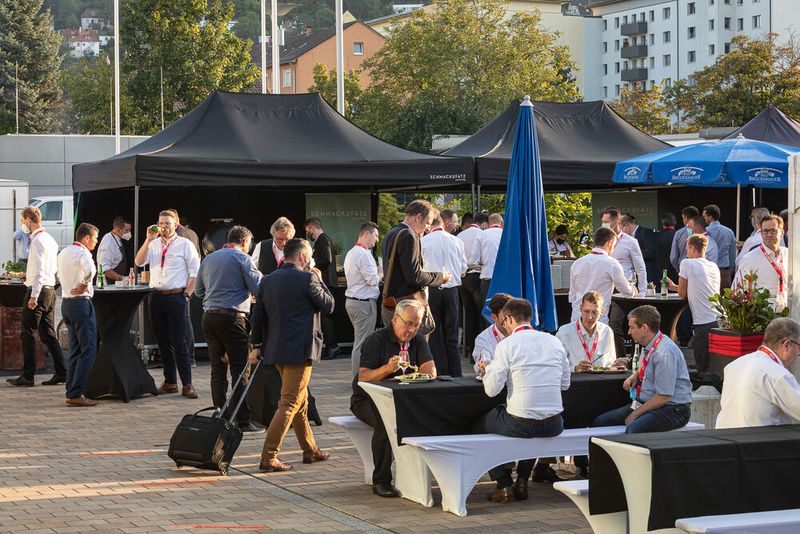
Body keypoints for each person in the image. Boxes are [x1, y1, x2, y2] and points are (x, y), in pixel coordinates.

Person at [250, 238, 334, 472]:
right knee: (289, 403)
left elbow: (257, 316)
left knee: (301, 402)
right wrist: (319, 279)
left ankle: (310, 450)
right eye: (309, 256)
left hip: (276, 349)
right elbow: (329, 306)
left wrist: (256, 345)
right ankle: (269, 456)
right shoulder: (308, 278)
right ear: (303, 257)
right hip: (300, 350)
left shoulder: (267, 280)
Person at [474, 298, 570, 503]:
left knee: (478, 426)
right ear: (531, 318)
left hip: (522, 423)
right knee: (531, 423)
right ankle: (523, 479)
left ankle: (503, 482)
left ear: (507, 319)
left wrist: (487, 370)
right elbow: (565, 384)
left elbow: (491, 390)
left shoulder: (507, 345)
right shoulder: (554, 341)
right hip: (555, 423)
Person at [351, 300, 437, 498]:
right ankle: (380, 480)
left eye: (416, 325)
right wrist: (387, 369)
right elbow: (363, 377)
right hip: (367, 399)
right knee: (386, 423)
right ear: (395, 319)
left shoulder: (418, 340)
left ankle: (418, 475)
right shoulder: (376, 340)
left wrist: (420, 375)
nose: (412, 329)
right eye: (408, 323)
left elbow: (430, 369)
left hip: (402, 399)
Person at [194, 225, 263, 432]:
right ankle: (242, 420)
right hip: (233, 318)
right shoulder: (243, 258)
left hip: (209, 317)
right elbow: (259, 287)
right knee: (240, 369)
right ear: (244, 242)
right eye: (249, 245)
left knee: (217, 367)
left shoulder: (209, 258)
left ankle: (220, 413)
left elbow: (198, 291)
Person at [592, 305, 692, 433]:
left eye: (632, 327)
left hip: (673, 408)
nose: (629, 332)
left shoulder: (665, 353)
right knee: (600, 422)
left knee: (633, 429)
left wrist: (635, 414)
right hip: (650, 403)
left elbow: (664, 397)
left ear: (644, 328)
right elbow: (651, 366)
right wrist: (635, 375)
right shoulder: (651, 344)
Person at [134, 210, 201, 398]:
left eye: (167, 223)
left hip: (176, 296)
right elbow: (139, 261)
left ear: (176, 224)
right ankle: (170, 381)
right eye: (161, 223)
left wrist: (187, 295)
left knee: (180, 342)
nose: (163, 227)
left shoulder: (184, 244)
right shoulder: (153, 244)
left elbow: (194, 272)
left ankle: (187, 384)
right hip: (156, 296)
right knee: (163, 341)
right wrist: (148, 239)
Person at [6, 206, 67, 387]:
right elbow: (50, 269)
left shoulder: (38, 240)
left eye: (22, 220)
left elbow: (40, 271)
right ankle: (61, 372)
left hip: (38, 291)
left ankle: (28, 375)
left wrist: (33, 295)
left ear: (28, 219)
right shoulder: (49, 239)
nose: (22, 224)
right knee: (48, 333)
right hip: (49, 290)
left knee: (27, 333)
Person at [380, 199, 450, 334]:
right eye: (428, 223)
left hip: (392, 302)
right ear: (418, 217)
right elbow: (414, 276)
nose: (428, 228)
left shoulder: (391, 233)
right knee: (411, 351)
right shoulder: (409, 236)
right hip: (406, 307)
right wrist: (440, 277)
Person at [716, 318, 800, 428]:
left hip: (723, 439)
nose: (798, 354)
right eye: (799, 348)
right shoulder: (777, 374)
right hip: (758, 442)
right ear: (787, 345)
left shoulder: (734, 365)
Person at [56, 223, 100, 406]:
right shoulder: (83, 253)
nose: (96, 242)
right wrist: (83, 283)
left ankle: (71, 390)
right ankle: (76, 392)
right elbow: (91, 270)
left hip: (66, 303)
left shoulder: (64, 252)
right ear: (86, 238)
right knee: (89, 348)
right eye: (95, 238)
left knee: (75, 349)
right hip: (81, 303)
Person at [421, 211, 467, 376]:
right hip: (451, 291)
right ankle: (456, 372)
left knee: (434, 333)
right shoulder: (457, 241)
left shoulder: (422, 242)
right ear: (443, 223)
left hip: (432, 290)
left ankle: (439, 371)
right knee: (452, 333)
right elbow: (463, 270)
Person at [666, 235, 720, 375]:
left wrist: (675, 288)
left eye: (687, 249)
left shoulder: (687, 263)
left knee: (703, 369)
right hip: (719, 319)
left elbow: (683, 294)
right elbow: (698, 287)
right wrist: (673, 287)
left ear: (692, 248)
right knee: (716, 365)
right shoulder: (713, 266)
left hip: (703, 323)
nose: (686, 253)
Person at [568, 227, 634, 324]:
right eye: (614, 245)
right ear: (610, 243)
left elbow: (572, 296)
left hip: (577, 318)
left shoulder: (577, 263)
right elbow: (627, 292)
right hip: (598, 320)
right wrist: (633, 290)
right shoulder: (612, 263)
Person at [344, 222, 381, 376]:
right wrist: (382, 272)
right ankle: (359, 378)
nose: (377, 240)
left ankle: (359, 376)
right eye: (376, 235)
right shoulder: (364, 254)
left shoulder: (351, 252)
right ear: (367, 234)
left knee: (359, 341)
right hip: (363, 304)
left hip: (353, 301)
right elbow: (373, 280)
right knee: (362, 343)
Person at [734, 214, 788, 312]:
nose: (769, 235)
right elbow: (739, 290)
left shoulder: (789, 255)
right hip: (763, 318)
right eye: (765, 231)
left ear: (782, 233)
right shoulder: (750, 258)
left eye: (773, 230)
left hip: (789, 315)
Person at [557, 291, 622, 372]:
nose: (590, 317)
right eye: (586, 311)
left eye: (594, 312)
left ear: (602, 311)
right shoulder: (564, 332)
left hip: (601, 381)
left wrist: (616, 367)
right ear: (581, 309)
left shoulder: (607, 331)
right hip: (575, 381)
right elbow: (556, 366)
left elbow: (610, 362)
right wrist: (575, 369)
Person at [167, 209, 200, 367]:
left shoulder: (179, 237)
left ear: (175, 221)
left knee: (183, 321)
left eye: (167, 223)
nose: (164, 227)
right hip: (190, 282)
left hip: (182, 284)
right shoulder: (192, 233)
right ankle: (188, 357)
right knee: (184, 320)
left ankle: (188, 358)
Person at [304, 217, 339, 360]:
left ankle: (332, 346)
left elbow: (326, 259)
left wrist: (311, 267)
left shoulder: (322, 240)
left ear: (312, 228)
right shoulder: (325, 239)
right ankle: (330, 346)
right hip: (328, 282)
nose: (308, 234)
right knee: (325, 317)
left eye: (308, 231)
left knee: (325, 318)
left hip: (326, 282)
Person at [457, 213, 487, 360]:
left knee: (468, 314)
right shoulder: (482, 235)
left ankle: (468, 347)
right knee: (481, 314)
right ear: (484, 224)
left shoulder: (460, 235)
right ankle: (479, 349)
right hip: (476, 276)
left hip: (462, 278)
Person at [601, 207, 648, 295]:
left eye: (606, 222)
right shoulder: (602, 241)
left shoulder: (631, 242)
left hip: (623, 289)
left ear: (617, 222)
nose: (603, 225)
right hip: (605, 288)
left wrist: (642, 292)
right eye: (603, 222)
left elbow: (640, 269)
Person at [471, 292, 513, 373]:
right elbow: (482, 364)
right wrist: (483, 367)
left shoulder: (520, 332)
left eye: (512, 315)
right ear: (494, 317)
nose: (510, 320)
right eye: (505, 317)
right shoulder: (484, 339)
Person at [471, 213, 504, 306]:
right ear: (501, 223)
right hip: (504, 278)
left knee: (488, 310)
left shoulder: (482, 234)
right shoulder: (507, 234)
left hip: (488, 277)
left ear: (488, 224)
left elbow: (474, 259)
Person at [702, 204, 737, 289]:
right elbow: (732, 254)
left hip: (708, 273)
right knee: (726, 300)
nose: (704, 219)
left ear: (710, 217)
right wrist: (730, 271)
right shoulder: (729, 232)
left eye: (705, 216)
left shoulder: (704, 233)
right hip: (724, 272)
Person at [620, 214, 659, 285]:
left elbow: (651, 252)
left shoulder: (645, 232)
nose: (621, 231)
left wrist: (633, 254)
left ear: (627, 225)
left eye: (621, 228)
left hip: (649, 275)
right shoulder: (628, 237)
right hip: (635, 276)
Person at [96, 216, 132, 282]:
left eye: (130, 230)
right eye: (127, 230)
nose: (129, 232)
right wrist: (123, 279)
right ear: (118, 230)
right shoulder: (109, 242)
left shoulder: (117, 239)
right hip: (109, 285)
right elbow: (104, 269)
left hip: (117, 284)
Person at [670, 206, 700, 272]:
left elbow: (673, 258)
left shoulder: (679, 233)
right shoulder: (703, 232)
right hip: (701, 270)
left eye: (683, 217)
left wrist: (680, 271)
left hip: (684, 270)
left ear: (686, 217)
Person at [656, 212, 678, 285]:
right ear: (674, 222)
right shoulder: (678, 236)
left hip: (661, 273)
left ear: (662, 223)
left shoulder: (657, 237)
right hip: (677, 272)